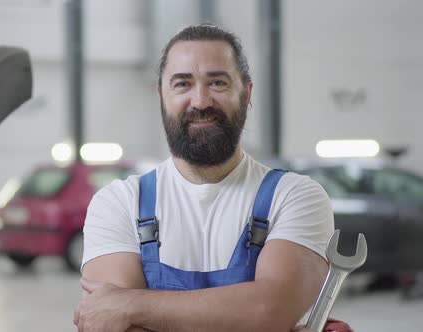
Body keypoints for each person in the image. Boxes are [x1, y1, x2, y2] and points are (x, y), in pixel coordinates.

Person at [74, 24, 352, 332]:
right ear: (161, 95)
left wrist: (130, 304)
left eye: (217, 83)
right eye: (182, 84)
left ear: (246, 93)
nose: (200, 101)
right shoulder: (119, 203)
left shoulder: (295, 196)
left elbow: (271, 308)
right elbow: (112, 325)